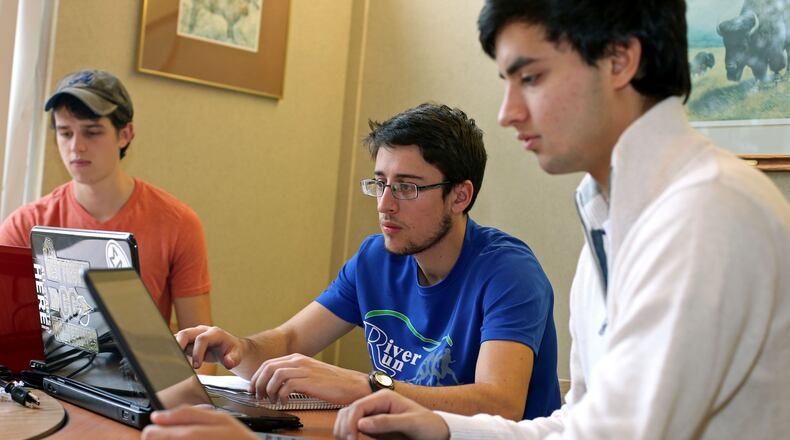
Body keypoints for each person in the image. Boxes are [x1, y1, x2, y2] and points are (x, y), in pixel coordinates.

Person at [331, 0, 790, 439]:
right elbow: (578, 424)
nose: (508, 113)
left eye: (530, 77)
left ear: (618, 59)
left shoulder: (706, 212)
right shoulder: (608, 218)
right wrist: (443, 426)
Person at [170, 103, 559, 422]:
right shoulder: (376, 258)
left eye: (406, 187)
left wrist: (365, 386)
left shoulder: (509, 272)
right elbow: (288, 342)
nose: (385, 204)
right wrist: (234, 348)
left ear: (460, 196)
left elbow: (501, 404)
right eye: (380, 183)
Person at [0, 70, 214, 373]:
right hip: (50, 391)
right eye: (65, 133)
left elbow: (201, 354)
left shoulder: (178, 223)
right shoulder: (26, 225)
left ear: (125, 134)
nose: (76, 146)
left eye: (92, 132)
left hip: (139, 392)